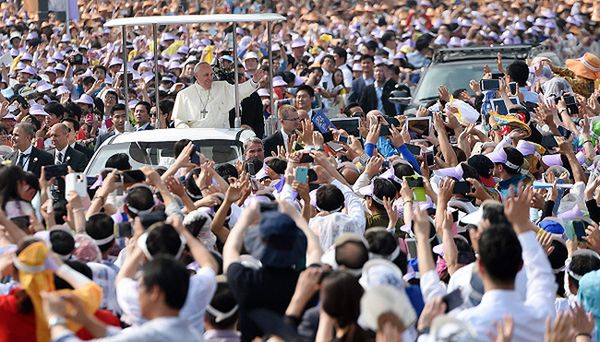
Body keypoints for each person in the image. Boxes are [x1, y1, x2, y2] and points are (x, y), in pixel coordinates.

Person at [44, 255, 203, 341]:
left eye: (139, 287)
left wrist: (56, 320)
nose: (137, 293)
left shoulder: (153, 334)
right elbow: (120, 337)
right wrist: (85, 320)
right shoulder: (190, 332)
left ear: (155, 292)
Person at [172, 62, 264, 128]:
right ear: (196, 76)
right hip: (196, 141)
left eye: (211, 74)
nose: (210, 78)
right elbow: (179, 121)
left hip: (221, 139)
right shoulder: (184, 95)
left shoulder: (222, 87)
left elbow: (240, 91)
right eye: (206, 75)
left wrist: (253, 81)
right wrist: (189, 133)